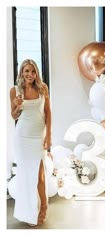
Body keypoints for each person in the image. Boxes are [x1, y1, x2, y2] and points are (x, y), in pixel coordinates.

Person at [10, 59, 52, 226]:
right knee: (26, 176)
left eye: (33, 71)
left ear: (36, 74)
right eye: (26, 71)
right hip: (22, 137)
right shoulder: (15, 91)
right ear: (21, 72)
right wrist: (17, 106)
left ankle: (44, 207)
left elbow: (48, 113)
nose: (30, 74)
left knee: (40, 176)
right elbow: (13, 116)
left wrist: (49, 136)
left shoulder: (43, 88)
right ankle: (28, 212)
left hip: (38, 136)